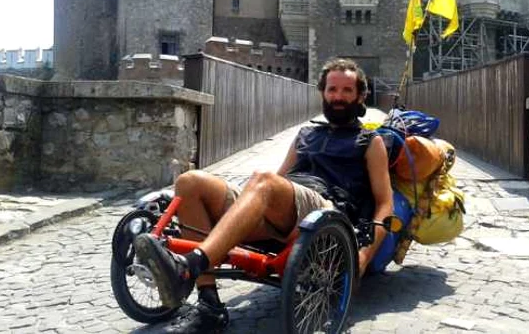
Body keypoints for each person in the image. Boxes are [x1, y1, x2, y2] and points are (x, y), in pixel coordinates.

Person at [134, 58, 393, 332]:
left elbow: (385, 204)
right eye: (332, 90)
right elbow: (281, 178)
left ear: (360, 96)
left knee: (264, 180)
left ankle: (189, 266)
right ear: (323, 93)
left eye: (346, 91)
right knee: (189, 182)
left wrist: (363, 256)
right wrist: (247, 201)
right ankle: (209, 305)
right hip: (284, 202)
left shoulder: (369, 142)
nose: (338, 97)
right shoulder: (306, 133)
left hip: (326, 208)